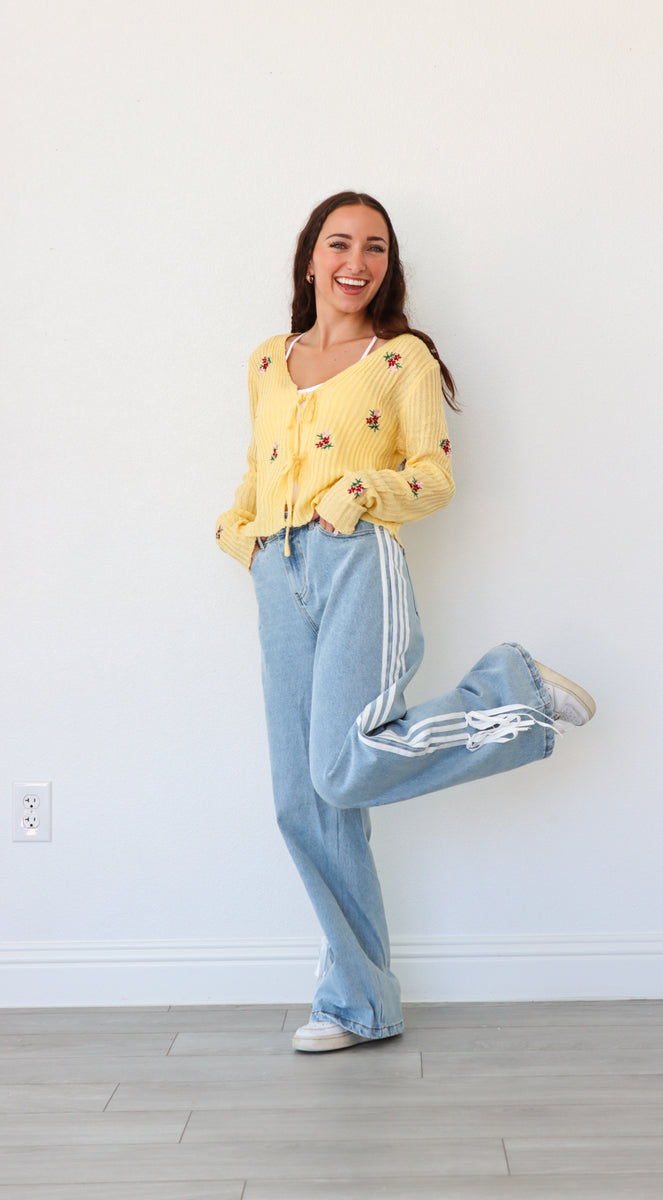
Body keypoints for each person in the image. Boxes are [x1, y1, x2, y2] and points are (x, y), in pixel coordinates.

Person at [215, 191, 595, 1053]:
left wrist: (359, 494)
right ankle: (358, 1003)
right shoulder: (267, 361)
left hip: (355, 560)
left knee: (343, 769)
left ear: (388, 266)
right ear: (310, 256)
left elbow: (433, 475)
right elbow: (257, 463)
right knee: (303, 800)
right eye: (341, 243)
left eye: (376, 248)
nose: (358, 262)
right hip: (277, 574)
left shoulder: (402, 361)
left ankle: (515, 691)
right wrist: (238, 534)